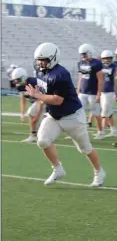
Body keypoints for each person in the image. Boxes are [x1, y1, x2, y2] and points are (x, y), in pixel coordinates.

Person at [24, 42, 106, 186]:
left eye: (44, 60)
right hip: (54, 116)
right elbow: (44, 91)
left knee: (85, 149)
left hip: (72, 116)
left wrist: (37, 96)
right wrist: (37, 95)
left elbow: (57, 100)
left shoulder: (60, 74)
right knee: (42, 141)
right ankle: (57, 169)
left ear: (54, 58)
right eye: (39, 60)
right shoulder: (40, 70)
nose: (41, 63)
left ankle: (99, 172)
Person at [77, 43, 105, 139]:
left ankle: (101, 131)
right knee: (78, 112)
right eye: (82, 54)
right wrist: (78, 90)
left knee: (96, 113)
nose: (82, 56)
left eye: (84, 54)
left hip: (93, 93)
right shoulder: (81, 63)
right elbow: (80, 77)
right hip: (83, 92)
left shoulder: (96, 63)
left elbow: (100, 80)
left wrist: (99, 94)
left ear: (89, 53)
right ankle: (79, 132)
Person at [11, 67, 45, 143]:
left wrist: (38, 115)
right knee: (32, 114)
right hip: (38, 101)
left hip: (46, 100)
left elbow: (42, 98)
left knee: (39, 119)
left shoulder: (33, 82)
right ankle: (34, 136)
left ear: (23, 77)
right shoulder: (20, 86)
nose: (16, 81)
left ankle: (38, 135)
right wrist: (22, 113)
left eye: (17, 79)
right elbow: (22, 99)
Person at [100, 50, 117, 137]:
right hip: (103, 92)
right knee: (109, 112)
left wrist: (116, 93)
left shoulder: (115, 67)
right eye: (104, 59)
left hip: (110, 92)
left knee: (104, 112)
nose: (106, 60)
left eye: (108, 58)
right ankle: (113, 130)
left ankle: (102, 131)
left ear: (111, 59)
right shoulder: (100, 66)